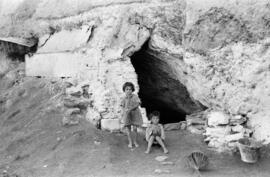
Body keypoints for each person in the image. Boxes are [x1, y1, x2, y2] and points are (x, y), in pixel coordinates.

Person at [120, 82, 143, 148]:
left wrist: (130, 109)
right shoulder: (124, 98)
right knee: (128, 128)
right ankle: (130, 142)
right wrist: (123, 114)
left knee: (135, 128)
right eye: (127, 89)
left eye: (130, 89)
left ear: (132, 90)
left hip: (135, 114)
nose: (128, 91)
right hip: (128, 115)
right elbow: (122, 106)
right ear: (124, 90)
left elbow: (137, 104)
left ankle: (135, 141)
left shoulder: (135, 97)